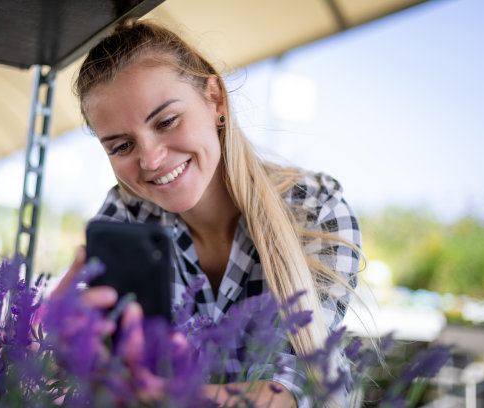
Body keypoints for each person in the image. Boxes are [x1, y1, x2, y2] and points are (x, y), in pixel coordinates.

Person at [58, 20, 362, 408]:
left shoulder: (315, 211)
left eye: (166, 122)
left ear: (215, 99)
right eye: (121, 146)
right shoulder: (124, 216)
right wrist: (73, 349)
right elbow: (112, 371)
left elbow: (293, 387)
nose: (150, 159)